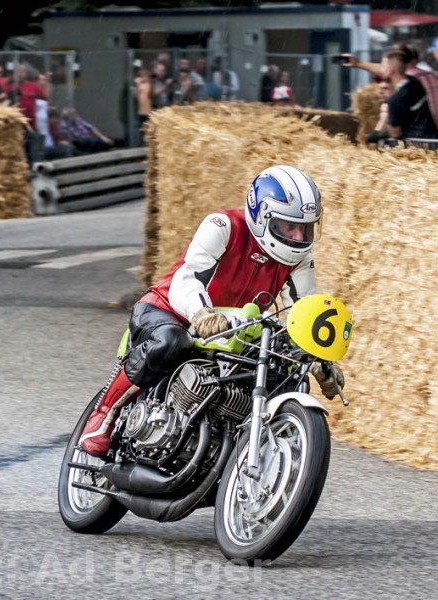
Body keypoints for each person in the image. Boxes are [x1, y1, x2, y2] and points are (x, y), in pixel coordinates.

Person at [78, 165, 344, 457]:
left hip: (236, 331)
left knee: (287, 374)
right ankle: (105, 414)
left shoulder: (299, 260)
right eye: (287, 226)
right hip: (171, 311)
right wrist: (201, 313)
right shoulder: (223, 226)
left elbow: (304, 306)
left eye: (304, 228)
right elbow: (188, 275)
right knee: (170, 343)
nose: (296, 236)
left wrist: (317, 357)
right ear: (262, 216)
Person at [366, 79, 393, 145]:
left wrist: (383, 116)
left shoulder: (395, 107)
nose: (381, 92)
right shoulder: (382, 106)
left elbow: (375, 137)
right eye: (380, 88)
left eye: (385, 88)